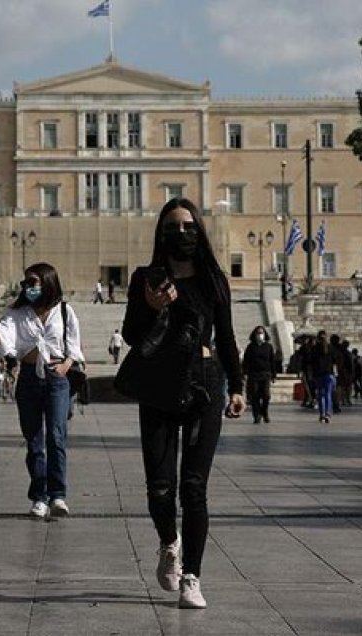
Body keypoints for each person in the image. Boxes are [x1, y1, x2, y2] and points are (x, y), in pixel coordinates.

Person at [121, 198, 246, 609]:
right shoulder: (146, 278)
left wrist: (238, 386)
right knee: (160, 488)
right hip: (159, 382)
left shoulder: (213, 280)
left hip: (205, 384)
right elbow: (131, 336)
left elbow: (225, 338)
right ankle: (168, 542)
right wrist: (153, 309)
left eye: (189, 226)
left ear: (200, 231)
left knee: (194, 487)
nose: (182, 234)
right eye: (173, 227)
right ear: (161, 233)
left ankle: (192, 576)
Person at [0, 262, 84, 519]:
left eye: (33, 282)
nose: (28, 288)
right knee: (34, 440)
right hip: (29, 378)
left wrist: (66, 366)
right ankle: (39, 496)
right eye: (26, 283)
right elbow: (5, 336)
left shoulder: (65, 311)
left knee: (56, 435)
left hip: (57, 379)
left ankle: (58, 495)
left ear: (47, 282)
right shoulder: (17, 312)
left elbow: (74, 347)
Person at [242, 325, 276, 424]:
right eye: (258, 333)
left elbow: (272, 361)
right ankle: (257, 415)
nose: (260, 335)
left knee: (266, 395)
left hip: (265, 374)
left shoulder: (268, 347)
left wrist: (274, 374)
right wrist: (244, 373)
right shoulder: (251, 347)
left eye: (262, 333)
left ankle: (264, 411)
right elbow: (246, 361)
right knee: (254, 395)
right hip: (254, 374)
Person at [307, 330, 336, 424]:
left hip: (318, 374)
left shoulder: (314, 348)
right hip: (328, 374)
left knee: (320, 395)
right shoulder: (330, 348)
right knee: (328, 394)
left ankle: (322, 414)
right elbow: (335, 360)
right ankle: (327, 413)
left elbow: (310, 361)